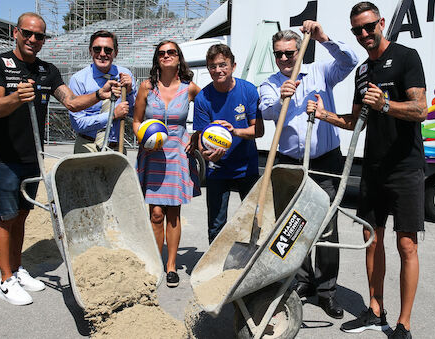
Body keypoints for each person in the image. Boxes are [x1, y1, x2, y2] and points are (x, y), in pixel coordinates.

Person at [0, 12, 120, 306]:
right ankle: (5, 280)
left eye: (39, 36)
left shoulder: (47, 71)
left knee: (21, 215)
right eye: (28, 33)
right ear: (16, 32)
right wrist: (16, 97)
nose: (33, 39)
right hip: (4, 158)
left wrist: (99, 93)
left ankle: (17, 269)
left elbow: (71, 101)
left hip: (33, 156)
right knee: (5, 219)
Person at [307, 2, 427, 338]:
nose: (364, 34)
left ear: (382, 23)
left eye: (369, 27)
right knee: (371, 239)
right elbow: (354, 120)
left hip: (405, 167)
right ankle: (376, 310)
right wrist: (323, 114)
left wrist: (386, 104)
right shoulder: (362, 71)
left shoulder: (406, 57)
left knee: (407, 245)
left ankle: (403, 324)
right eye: (357, 30)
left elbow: (421, 109)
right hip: (373, 166)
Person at [259, 20, 358, 319]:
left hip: (325, 159)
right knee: (292, 225)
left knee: (327, 228)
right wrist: (281, 99)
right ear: (274, 56)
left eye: (290, 52)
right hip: (289, 163)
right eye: (280, 54)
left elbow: (350, 60)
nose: (286, 58)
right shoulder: (270, 84)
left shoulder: (319, 71)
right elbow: (266, 111)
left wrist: (324, 37)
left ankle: (327, 291)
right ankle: (302, 281)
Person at [132, 40, 201, 288]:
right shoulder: (146, 87)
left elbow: (207, 110)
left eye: (171, 52)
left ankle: (171, 266)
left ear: (179, 57)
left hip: (178, 155)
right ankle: (156, 261)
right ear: (156, 59)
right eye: (161, 53)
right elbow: (137, 121)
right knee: (156, 213)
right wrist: (144, 137)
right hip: (152, 154)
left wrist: (196, 136)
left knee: (173, 213)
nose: (166, 56)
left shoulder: (190, 88)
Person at [193, 44, 264, 243]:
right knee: (216, 225)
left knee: (253, 220)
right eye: (212, 66)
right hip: (217, 169)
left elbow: (258, 131)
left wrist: (234, 131)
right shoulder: (202, 98)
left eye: (222, 65)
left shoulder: (248, 91)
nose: (218, 70)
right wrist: (205, 153)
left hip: (246, 167)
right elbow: (201, 138)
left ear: (233, 65)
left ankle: (250, 265)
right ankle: (215, 269)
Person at [68, 30, 136, 154]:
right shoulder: (78, 80)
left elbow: (134, 113)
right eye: (97, 49)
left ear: (116, 52)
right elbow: (78, 123)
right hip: (88, 146)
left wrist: (130, 92)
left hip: (116, 148)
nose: (102, 54)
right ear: (90, 51)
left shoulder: (125, 76)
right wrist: (112, 115)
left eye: (108, 50)